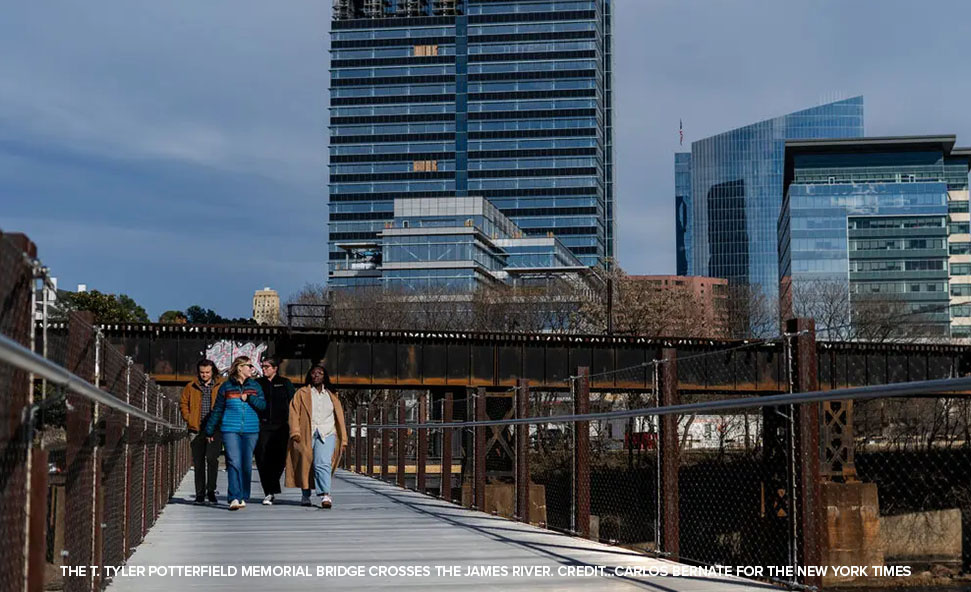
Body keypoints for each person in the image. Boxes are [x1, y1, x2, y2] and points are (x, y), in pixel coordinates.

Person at [204, 356, 266, 510]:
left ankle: (244, 495)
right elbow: (218, 409)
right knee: (233, 461)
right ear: (240, 368)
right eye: (250, 366)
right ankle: (234, 497)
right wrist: (210, 429)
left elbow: (263, 406)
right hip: (230, 428)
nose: (252, 369)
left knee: (246, 464)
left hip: (251, 430)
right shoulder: (226, 387)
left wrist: (250, 398)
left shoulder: (256, 387)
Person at [286, 364, 347, 508]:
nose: (316, 375)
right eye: (314, 373)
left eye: (320, 373)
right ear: (310, 376)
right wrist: (295, 432)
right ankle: (305, 495)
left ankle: (325, 495)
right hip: (307, 432)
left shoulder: (332, 395)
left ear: (324, 376)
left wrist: (343, 439)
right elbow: (294, 413)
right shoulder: (301, 393)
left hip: (327, 432)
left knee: (323, 463)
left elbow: (340, 418)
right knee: (305, 464)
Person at [179, 359, 224, 505]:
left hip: (215, 429)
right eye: (202, 372)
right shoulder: (191, 386)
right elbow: (183, 403)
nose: (204, 375)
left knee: (212, 459)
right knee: (198, 463)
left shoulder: (220, 385)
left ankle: (211, 491)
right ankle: (200, 493)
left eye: (207, 372)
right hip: (196, 429)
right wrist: (189, 418)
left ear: (212, 372)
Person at [255, 357, 295, 505]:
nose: (264, 369)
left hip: (281, 425)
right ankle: (269, 492)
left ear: (275, 368)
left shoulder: (285, 383)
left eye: (267, 366)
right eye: (262, 366)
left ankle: (272, 486)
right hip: (263, 425)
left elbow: (293, 403)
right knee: (262, 457)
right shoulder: (258, 383)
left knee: (279, 458)